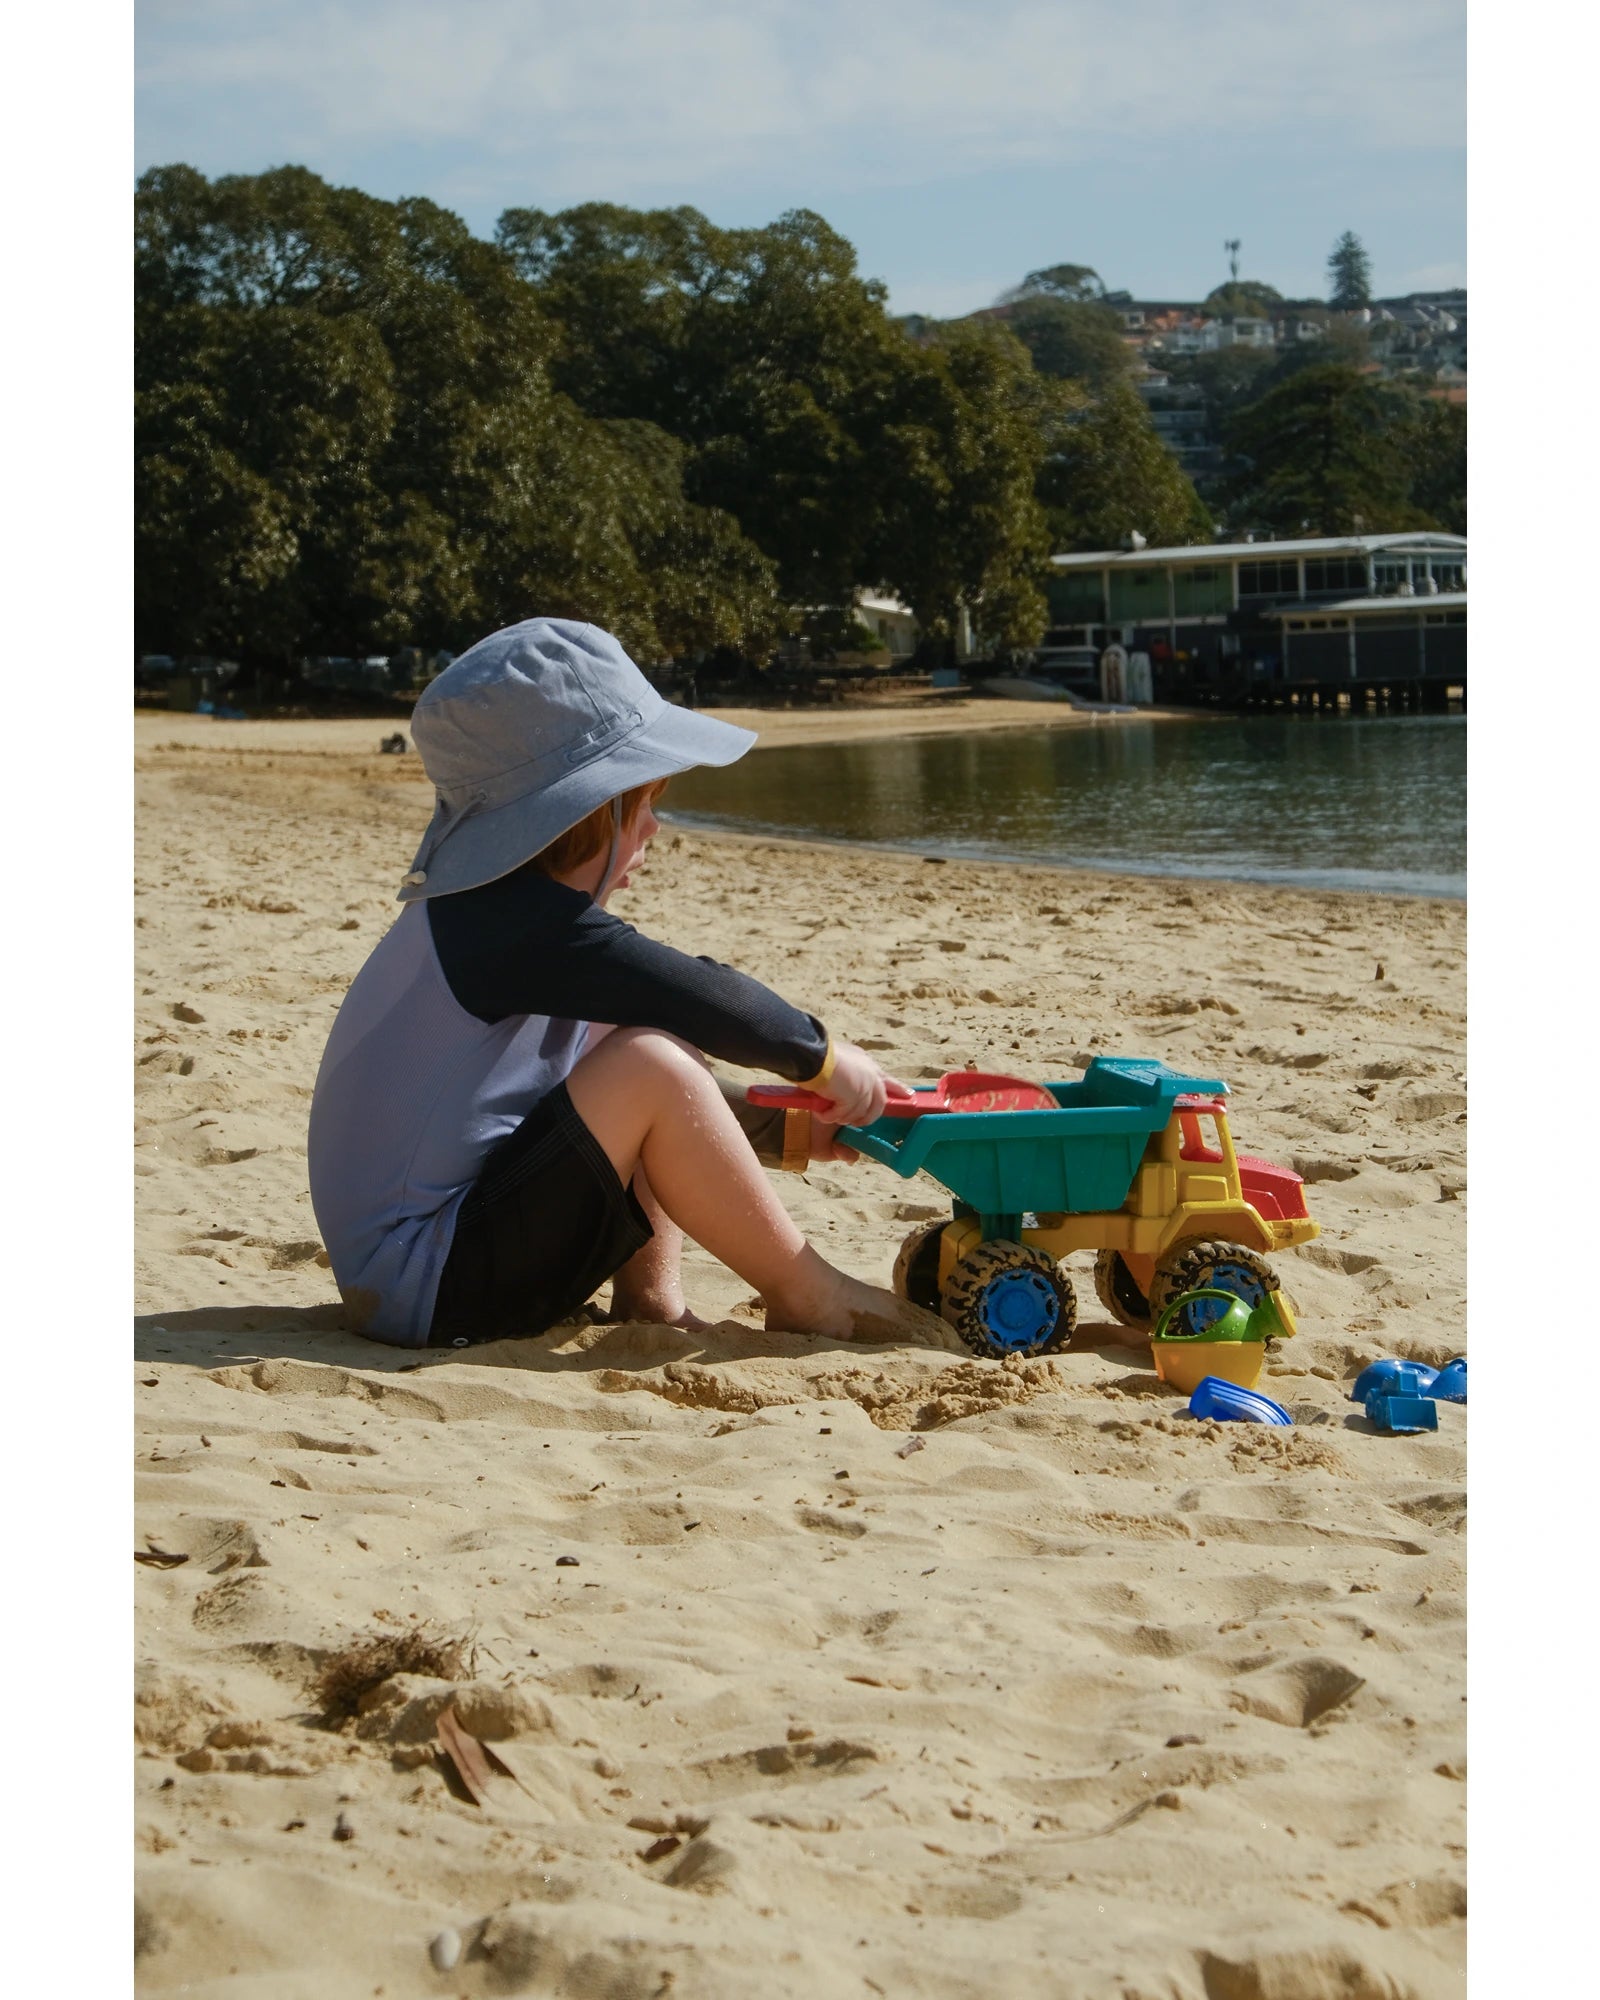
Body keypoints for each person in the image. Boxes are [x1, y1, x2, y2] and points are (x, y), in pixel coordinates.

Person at [307, 618, 941, 1353]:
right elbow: (704, 995)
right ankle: (810, 1294)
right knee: (654, 1058)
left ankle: (651, 1301)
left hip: (424, 1271)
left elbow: (602, 1086)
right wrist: (823, 1057)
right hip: (431, 1283)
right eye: (640, 804)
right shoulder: (516, 928)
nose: (655, 828)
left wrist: (792, 1125)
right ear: (587, 813)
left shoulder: (485, 918)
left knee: (644, 1042)